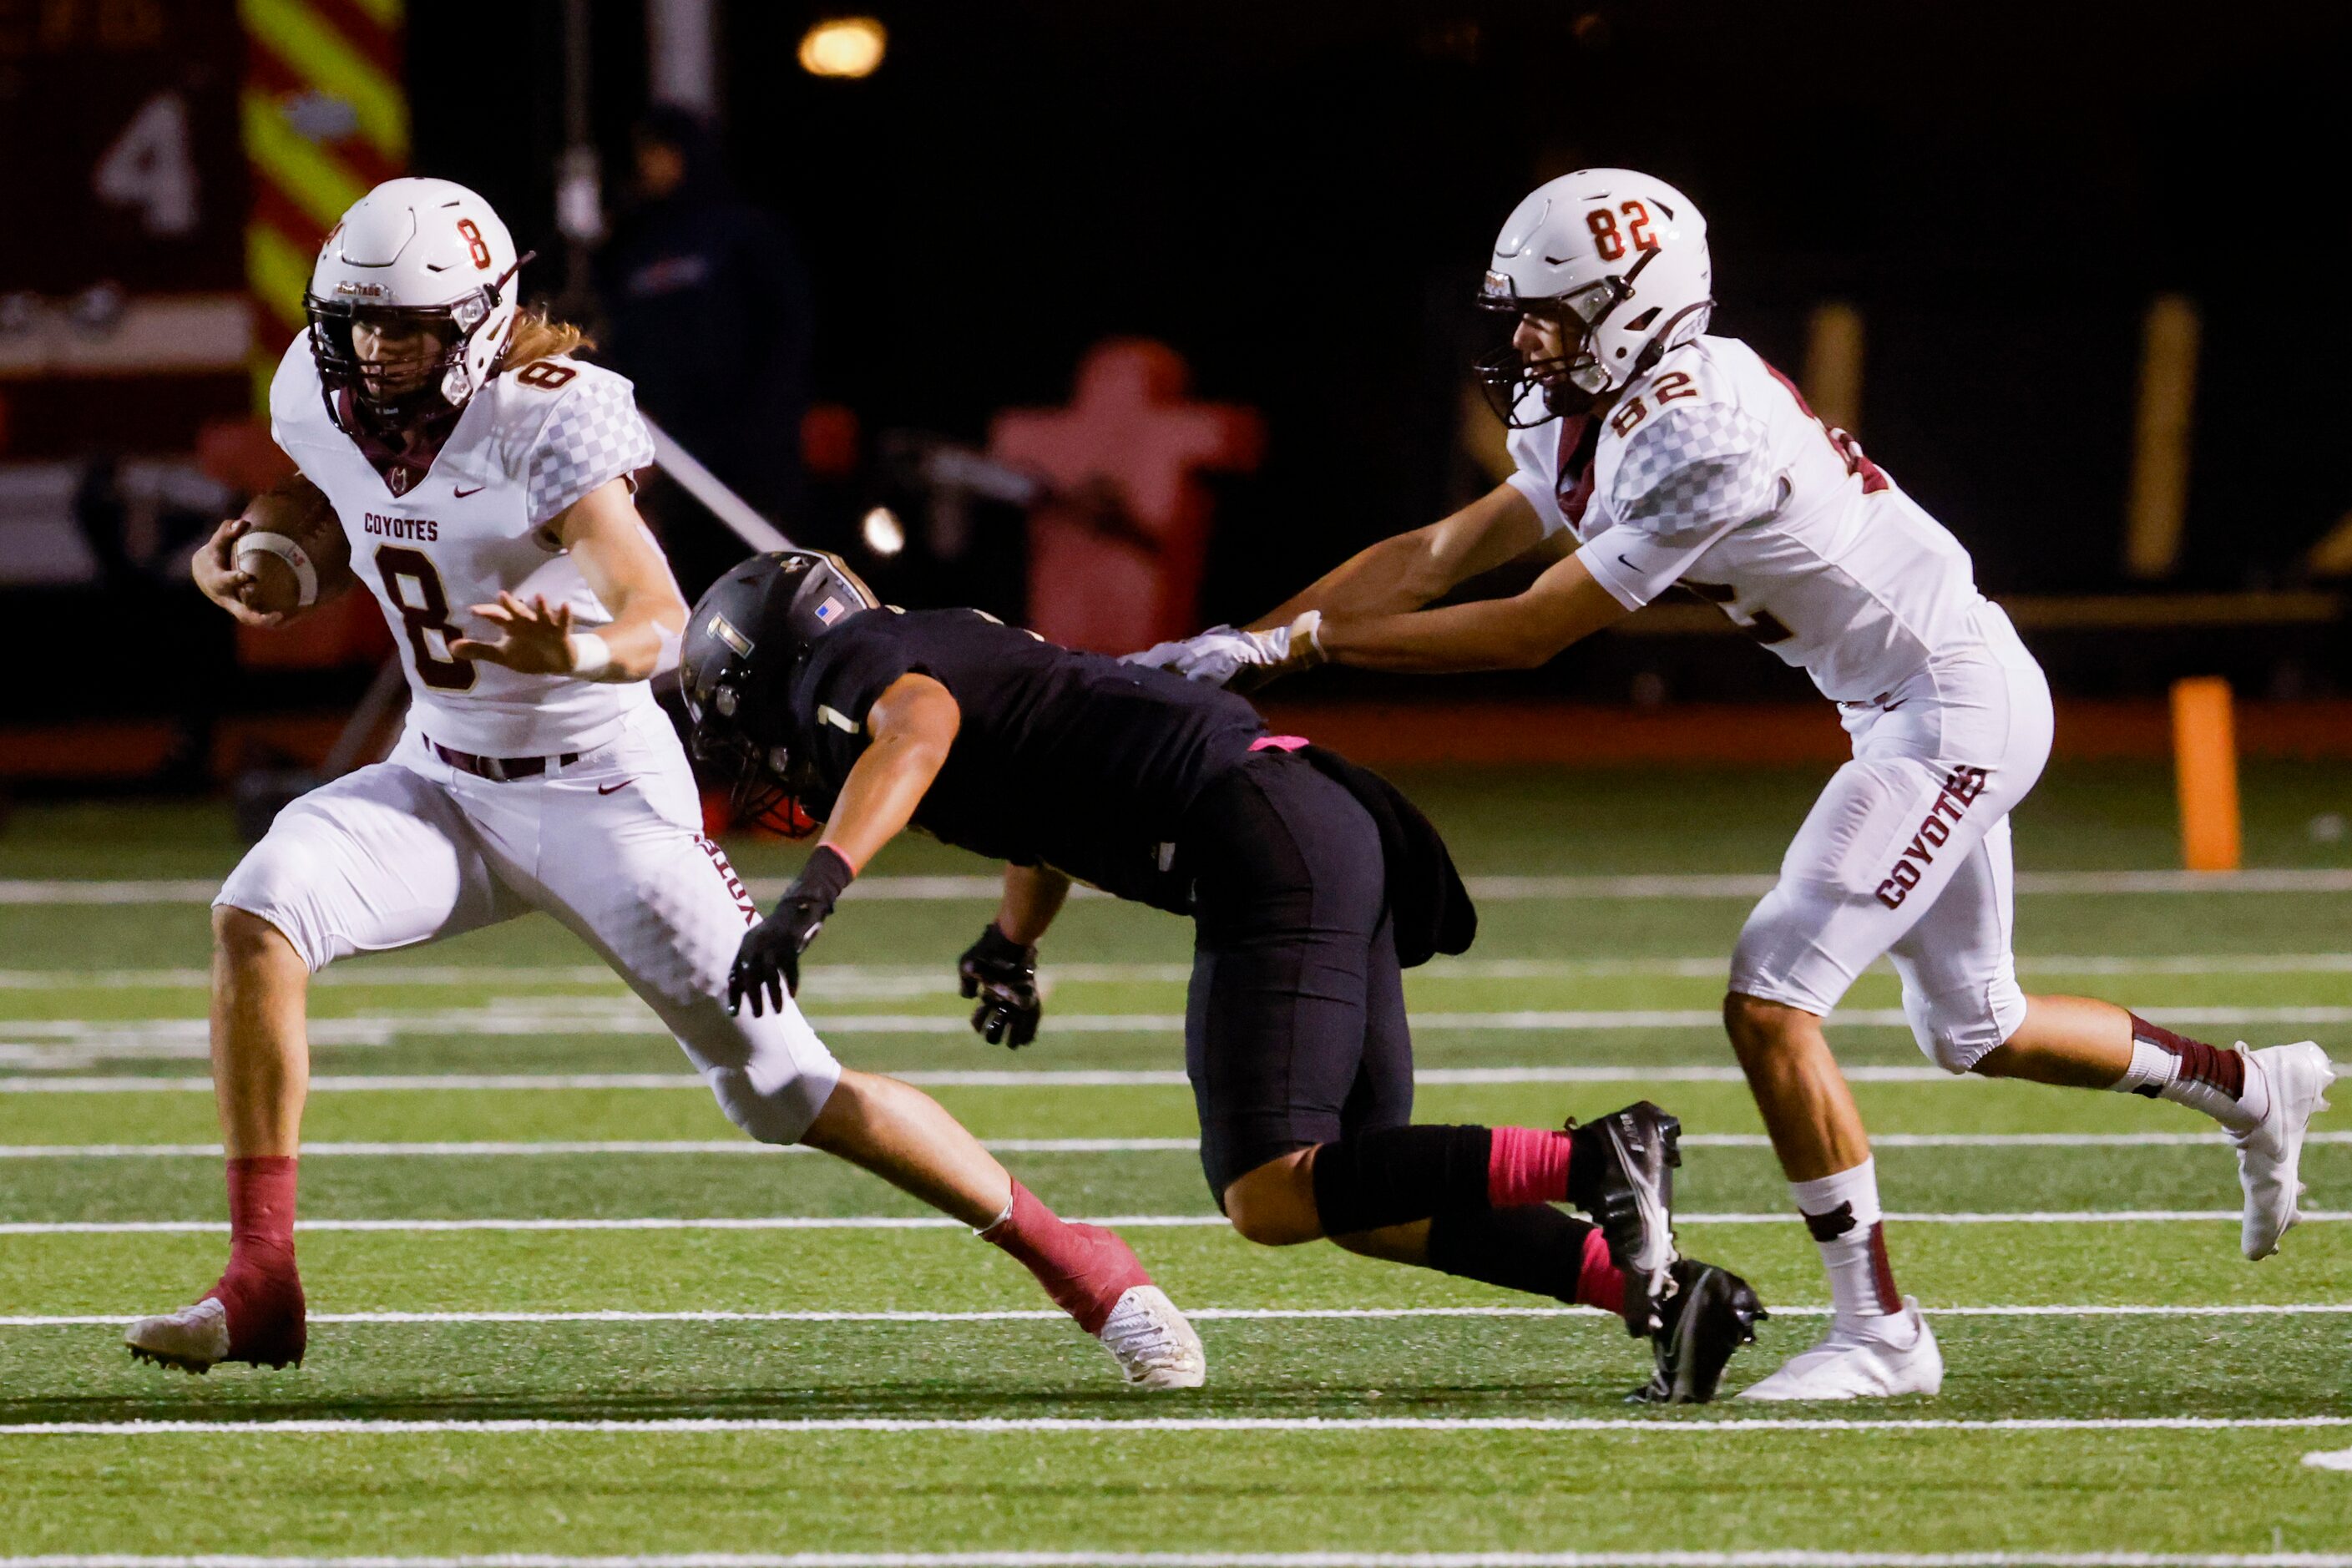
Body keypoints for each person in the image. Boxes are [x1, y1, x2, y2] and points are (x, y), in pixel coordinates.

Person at [1129, 168, 2337, 1401]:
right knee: (1976, 1025)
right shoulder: (1600, 400)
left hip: (1948, 704)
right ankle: (2249, 1083)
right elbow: (1444, 552)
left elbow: (1531, 629)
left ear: (1638, 305)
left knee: (1770, 998)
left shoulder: (1703, 425)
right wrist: (1240, 648)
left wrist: (1309, 646)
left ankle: (1880, 1331)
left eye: (1553, 311)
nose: (1528, 339)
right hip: (1902, 701)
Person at [132, 177, 1206, 1393]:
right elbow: (335, 498)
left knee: (786, 1085)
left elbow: (658, 615)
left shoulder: (549, 418)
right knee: (257, 911)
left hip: (600, 791)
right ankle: (262, 1275)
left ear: (480, 321)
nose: (375, 353)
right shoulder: (320, 390)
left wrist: (578, 648)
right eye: (357, 322)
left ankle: (1089, 1264)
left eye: (411, 328)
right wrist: (267, 556)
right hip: (439, 774)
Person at [680, 549, 1768, 1404]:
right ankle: (1657, 1293)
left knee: (1267, 1188)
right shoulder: (945, 638)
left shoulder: (861, 677)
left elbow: (917, 731)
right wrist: (1014, 941)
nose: (761, 760)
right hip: (1314, 818)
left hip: (1262, 837)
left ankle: (1594, 1157)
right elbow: (1039, 804)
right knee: (1363, 1191)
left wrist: (813, 893)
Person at [595, 104, 813, 593]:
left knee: (766, 584)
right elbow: (621, 343)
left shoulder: (745, 234)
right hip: (672, 458)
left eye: (658, 151)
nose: (648, 164)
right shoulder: (635, 247)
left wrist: (765, 433)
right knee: (690, 585)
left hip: (746, 459)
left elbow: (786, 335)